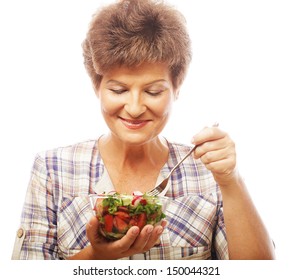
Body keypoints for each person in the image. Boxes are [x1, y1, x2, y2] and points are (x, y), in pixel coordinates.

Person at [12, 0, 275, 260]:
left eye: (153, 91)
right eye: (118, 90)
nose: (135, 108)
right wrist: (95, 257)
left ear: (177, 89)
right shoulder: (52, 169)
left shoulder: (208, 171)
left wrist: (231, 180)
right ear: (97, 87)